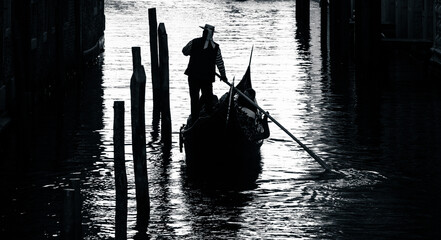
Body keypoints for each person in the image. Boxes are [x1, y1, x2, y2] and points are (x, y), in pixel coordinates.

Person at [182, 24, 227, 121]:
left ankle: (195, 118)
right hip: (206, 78)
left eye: (204, 32)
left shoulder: (194, 42)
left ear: (204, 33)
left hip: (194, 76)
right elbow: (220, 63)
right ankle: (206, 117)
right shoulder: (215, 48)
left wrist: (194, 52)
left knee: (194, 99)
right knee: (208, 99)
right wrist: (223, 76)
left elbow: (185, 51)